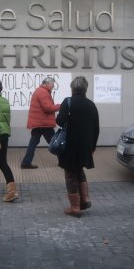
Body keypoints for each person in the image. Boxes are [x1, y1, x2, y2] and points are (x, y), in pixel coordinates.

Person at [56, 76, 99, 217]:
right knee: (79, 170)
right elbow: (96, 128)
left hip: (70, 145)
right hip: (85, 145)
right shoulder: (91, 105)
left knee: (70, 174)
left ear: (72, 88)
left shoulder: (68, 102)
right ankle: (85, 200)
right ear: (85, 89)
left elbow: (60, 121)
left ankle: (75, 207)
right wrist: (92, 147)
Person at [21, 77, 60, 169]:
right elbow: (48, 108)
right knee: (54, 142)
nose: (53, 87)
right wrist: (60, 106)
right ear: (47, 84)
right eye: (52, 85)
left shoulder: (40, 91)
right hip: (43, 122)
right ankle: (64, 161)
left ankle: (26, 162)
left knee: (34, 142)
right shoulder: (43, 92)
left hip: (39, 122)